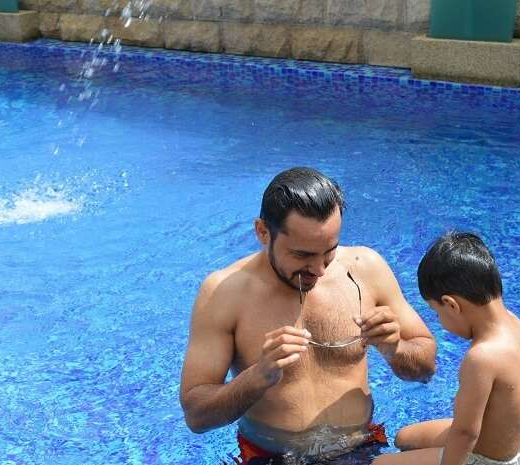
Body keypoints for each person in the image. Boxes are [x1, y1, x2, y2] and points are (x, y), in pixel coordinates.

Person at [179, 167, 436, 464]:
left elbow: (426, 367)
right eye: (302, 255)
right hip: (270, 457)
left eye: (329, 250)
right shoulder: (224, 293)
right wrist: (258, 376)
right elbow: (196, 416)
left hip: (362, 448)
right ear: (263, 232)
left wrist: (395, 349)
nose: (320, 270)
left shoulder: (366, 268)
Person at [374, 232, 520, 465]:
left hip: (488, 459)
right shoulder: (515, 324)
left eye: (437, 312)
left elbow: (465, 432)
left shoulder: (482, 358)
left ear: (451, 304)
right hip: (506, 445)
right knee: (404, 438)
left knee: (380, 464)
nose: (439, 320)